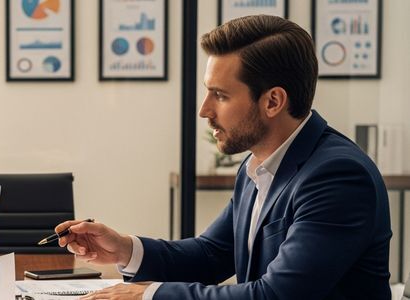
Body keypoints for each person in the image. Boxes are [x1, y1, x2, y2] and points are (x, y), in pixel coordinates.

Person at [57, 15, 391, 300]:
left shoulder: (337, 175)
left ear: (273, 101)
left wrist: (147, 294)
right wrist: (125, 249)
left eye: (220, 95)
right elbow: (212, 254)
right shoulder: (258, 165)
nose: (204, 110)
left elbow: (275, 295)